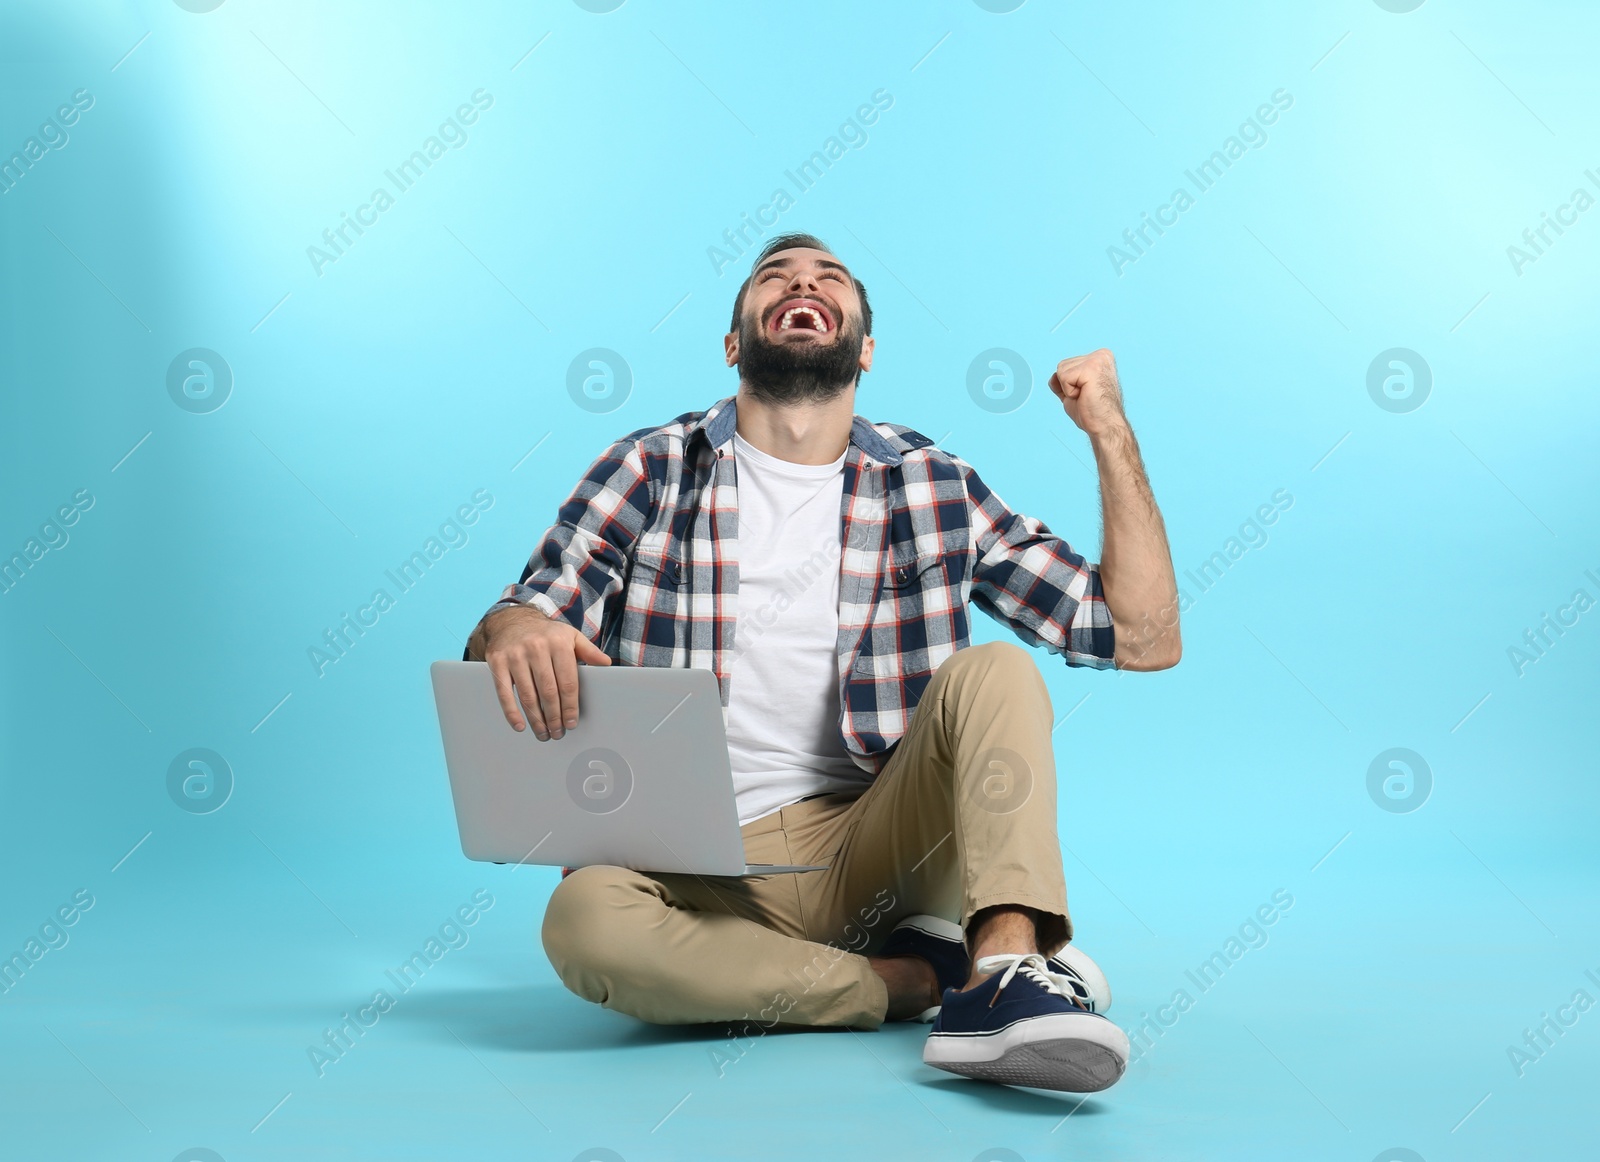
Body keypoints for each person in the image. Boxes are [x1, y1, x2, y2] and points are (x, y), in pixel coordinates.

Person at [464, 232, 1181, 1093]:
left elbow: (1140, 637)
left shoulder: (931, 482)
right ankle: (913, 981)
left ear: (865, 348)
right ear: (736, 343)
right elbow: (529, 611)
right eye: (776, 276)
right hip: (691, 862)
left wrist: (1108, 428)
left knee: (997, 672)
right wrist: (510, 627)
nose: (803, 281)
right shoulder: (651, 466)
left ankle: (1003, 976)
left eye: (827, 277)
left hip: (877, 843)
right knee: (581, 923)